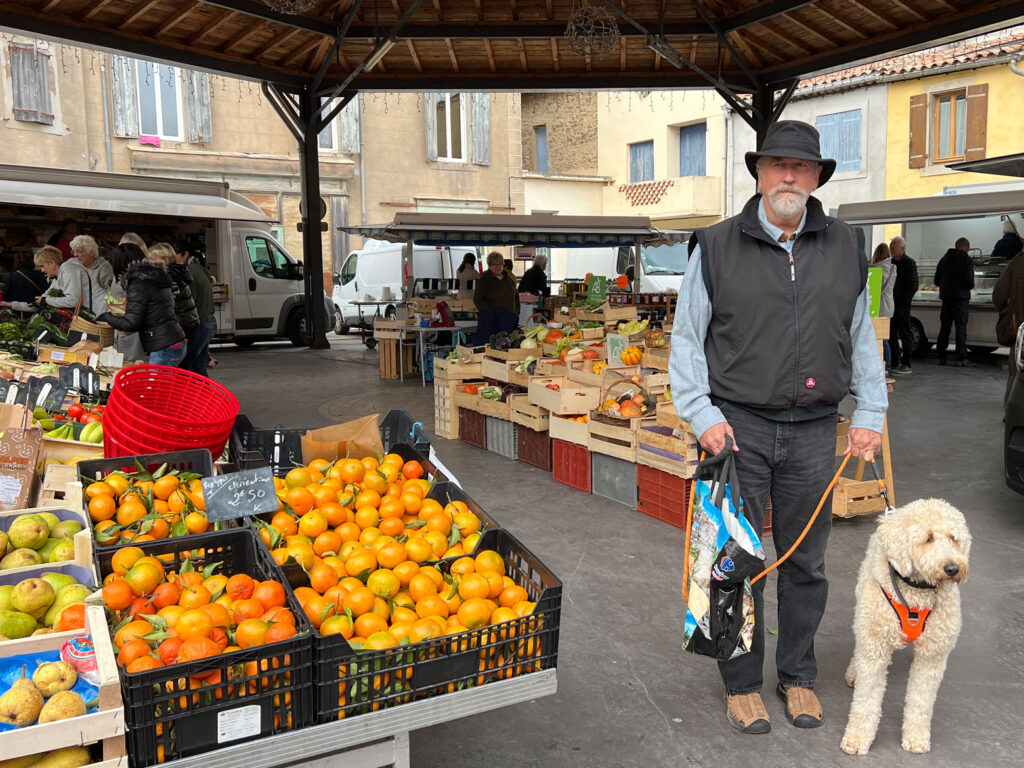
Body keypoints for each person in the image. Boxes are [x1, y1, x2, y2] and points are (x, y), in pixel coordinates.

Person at [670, 120, 887, 736]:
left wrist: (869, 414)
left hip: (817, 430)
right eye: (776, 165)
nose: (788, 176)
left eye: (801, 167)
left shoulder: (846, 246)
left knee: (807, 564)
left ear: (817, 178)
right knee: (734, 560)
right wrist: (704, 416)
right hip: (736, 430)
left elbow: (861, 337)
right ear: (759, 173)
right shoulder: (714, 247)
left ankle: (797, 677)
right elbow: (687, 342)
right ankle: (741, 684)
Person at [96, 244, 185, 366]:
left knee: (155, 385)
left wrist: (107, 317)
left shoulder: (139, 282)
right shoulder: (152, 276)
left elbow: (132, 323)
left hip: (163, 346)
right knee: (164, 384)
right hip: (171, 340)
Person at [38, 235, 114, 316]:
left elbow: (110, 291)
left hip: (102, 309)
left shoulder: (104, 267)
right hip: (86, 310)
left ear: (91, 253)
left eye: (79, 251)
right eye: (73, 252)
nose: (75, 255)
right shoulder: (74, 267)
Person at [175, 237, 216, 376]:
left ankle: (191, 396)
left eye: (175, 255)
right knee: (198, 367)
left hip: (201, 323)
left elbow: (189, 303)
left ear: (184, 254)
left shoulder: (189, 272)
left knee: (186, 366)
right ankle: (208, 396)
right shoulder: (198, 267)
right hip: (207, 321)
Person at [149, 243, 199, 359]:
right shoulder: (177, 274)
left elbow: (169, 306)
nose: (149, 262)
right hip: (184, 328)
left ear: (164, 260)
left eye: (152, 259)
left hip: (175, 334)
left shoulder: (168, 278)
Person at [934, 237, 975, 367]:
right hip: (961, 299)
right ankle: (961, 358)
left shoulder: (944, 259)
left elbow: (936, 280)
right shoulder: (966, 260)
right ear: (965, 247)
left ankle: (941, 356)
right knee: (960, 328)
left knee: (944, 327)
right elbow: (969, 281)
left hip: (946, 298)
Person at [994, 248, 1024, 404]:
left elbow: (999, 293)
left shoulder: (1018, 262)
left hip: (1021, 329)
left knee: (1017, 371)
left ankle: (1012, 410)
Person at [472, 251, 520, 344]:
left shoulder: (508, 279)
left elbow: (516, 297)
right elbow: (477, 299)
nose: (497, 267)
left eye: (500, 264)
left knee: (507, 344)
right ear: (489, 265)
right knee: (492, 344)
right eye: (494, 264)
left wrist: (516, 313)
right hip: (491, 321)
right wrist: (488, 314)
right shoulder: (485, 278)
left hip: (508, 320)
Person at [888, 236, 918, 375]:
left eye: (894, 247)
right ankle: (895, 361)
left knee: (905, 333)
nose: (891, 250)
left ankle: (906, 363)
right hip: (890, 304)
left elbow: (913, 285)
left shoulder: (909, 263)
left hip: (902, 305)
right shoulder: (889, 263)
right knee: (891, 334)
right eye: (891, 247)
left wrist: (905, 301)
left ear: (902, 248)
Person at [870, 243, 896, 374]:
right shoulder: (893, 268)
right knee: (885, 337)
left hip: (877, 306)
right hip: (889, 306)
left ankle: (886, 364)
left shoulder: (875, 269)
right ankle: (888, 364)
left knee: (879, 338)